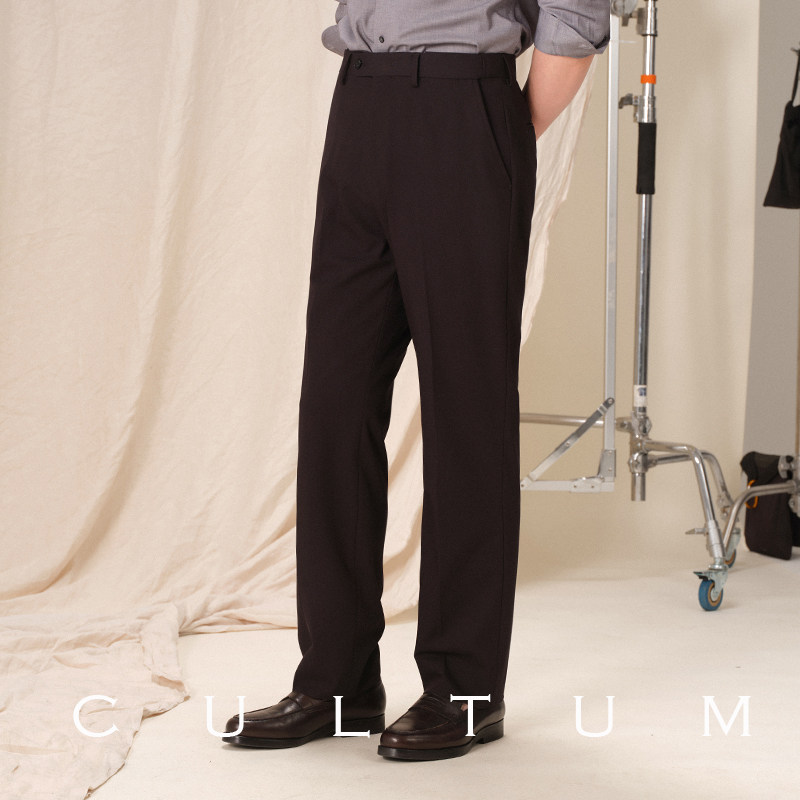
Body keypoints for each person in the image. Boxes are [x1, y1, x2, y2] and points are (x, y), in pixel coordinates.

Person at [223, 0, 611, 761]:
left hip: (465, 107)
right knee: (334, 408)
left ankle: (465, 690)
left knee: (467, 412)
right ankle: (336, 683)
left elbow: (575, 11)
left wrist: (498, 127)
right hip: (360, 101)